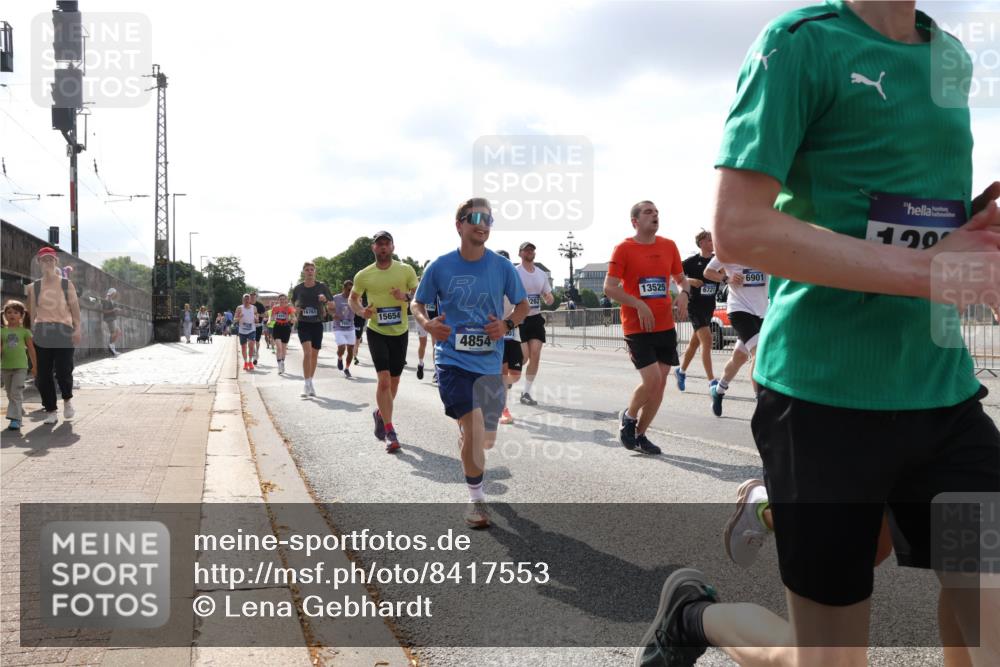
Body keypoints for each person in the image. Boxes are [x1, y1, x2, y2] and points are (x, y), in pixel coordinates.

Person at [635, 2, 1000, 665]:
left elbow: (905, 210)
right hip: (823, 403)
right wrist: (930, 270)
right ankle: (695, 617)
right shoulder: (799, 44)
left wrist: (972, 233)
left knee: (991, 615)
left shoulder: (950, 56)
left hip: (941, 392)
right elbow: (740, 229)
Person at [413, 198, 528, 527]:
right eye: (476, 217)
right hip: (452, 361)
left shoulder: (502, 267)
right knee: (476, 431)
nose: (483, 223)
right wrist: (428, 323)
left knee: (484, 439)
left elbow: (521, 306)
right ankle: (476, 501)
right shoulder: (440, 266)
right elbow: (417, 303)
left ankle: (468, 440)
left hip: (490, 365)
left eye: (489, 219)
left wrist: (506, 325)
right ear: (459, 224)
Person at [603, 201, 689, 456]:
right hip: (637, 327)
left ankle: (640, 435)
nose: (655, 215)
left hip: (664, 325)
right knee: (651, 380)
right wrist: (638, 304)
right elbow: (609, 287)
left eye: (657, 212)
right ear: (635, 221)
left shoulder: (669, 245)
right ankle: (629, 416)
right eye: (648, 212)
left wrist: (684, 293)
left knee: (660, 385)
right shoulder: (624, 249)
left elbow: (681, 279)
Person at [350, 231, 418, 453]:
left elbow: (418, 295)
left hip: (400, 332)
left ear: (393, 247)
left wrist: (405, 297)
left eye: (386, 244)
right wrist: (361, 311)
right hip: (376, 330)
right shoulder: (364, 275)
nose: (383, 248)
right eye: (379, 244)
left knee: (395, 382)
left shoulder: (405, 270)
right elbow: (353, 298)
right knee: (384, 381)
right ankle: (390, 430)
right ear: (373, 248)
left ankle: (380, 414)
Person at [703, 258, 768, 416]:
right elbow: (708, 272)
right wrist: (726, 278)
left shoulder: (766, 247)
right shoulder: (729, 247)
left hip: (763, 311)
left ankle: (718, 390)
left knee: (739, 357)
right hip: (739, 310)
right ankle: (763, 406)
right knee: (758, 355)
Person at [28, 247, 81, 425]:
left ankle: (67, 400)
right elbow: (32, 313)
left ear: (56, 262)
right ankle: (51, 410)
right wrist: (29, 332)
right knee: (43, 375)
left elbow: (75, 309)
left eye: (51, 259)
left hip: (63, 329)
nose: (48, 262)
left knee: (64, 369)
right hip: (43, 330)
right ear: (39, 263)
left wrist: (77, 328)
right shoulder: (35, 286)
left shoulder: (66, 284)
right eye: (44, 260)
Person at [675, 230, 719, 391]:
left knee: (694, 345)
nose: (712, 242)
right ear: (701, 243)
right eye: (708, 240)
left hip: (709, 307)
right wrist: (690, 281)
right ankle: (712, 382)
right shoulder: (692, 262)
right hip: (694, 307)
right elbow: (674, 275)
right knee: (707, 340)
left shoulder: (718, 261)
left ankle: (681, 371)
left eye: (713, 240)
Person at [515, 241, 554, 406]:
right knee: (523, 358)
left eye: (532, 250)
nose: (530, 252)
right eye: (526, 250)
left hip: (536, 318)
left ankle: (526, 392)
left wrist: (549, 298)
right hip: (519, 318)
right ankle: (509, 375)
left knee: (535, 355)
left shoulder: (541, 274)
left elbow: (548, 295)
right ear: (520, 253)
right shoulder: (515, 272)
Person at [291, 261, 335, 396]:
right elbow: (294, 306)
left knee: (315, 355)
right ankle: (306, 384)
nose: (310, 272)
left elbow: (332, 306)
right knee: (308, 353)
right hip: (304, 323)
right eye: (307, 270)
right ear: (304, 272)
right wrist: (296, 310)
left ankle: (310, 381)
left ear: (315, 272)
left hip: (317, 324)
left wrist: (325, 301)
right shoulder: (298, 288)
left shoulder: (322, 287)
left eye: (312, 269)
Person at [496, 251, 523, 425]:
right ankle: (502, 409)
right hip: (496, 334)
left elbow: (522, 304)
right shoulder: (490, 282)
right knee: (502, 373)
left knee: (515, 374)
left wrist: (510, 322)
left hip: (513, 332)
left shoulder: (514, 281)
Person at [2, 300, 36, 431]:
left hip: (21, 367)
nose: (12, 315)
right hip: (5, 366)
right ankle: (18, 410)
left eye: (16, 312)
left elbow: (32, 350)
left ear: (21, 315)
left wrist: (34, 366)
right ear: (4, 314)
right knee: (10, 393)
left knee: (16, 392)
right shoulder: (2, 332)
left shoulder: (24, 332)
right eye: (9, 312)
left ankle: (15, 419)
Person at [332, 280, 356, 378]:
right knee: (342, 348)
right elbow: (329, 308)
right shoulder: (336, 298)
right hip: (338, 327)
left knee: (350, 350)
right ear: (344, 288)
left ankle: (347, 368)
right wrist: (333, 314)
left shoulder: (355, 299)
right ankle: (339, 357)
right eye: (348, 289)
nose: (350, 292)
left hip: (350, 327)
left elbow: (361, 310)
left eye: (352, 290)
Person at [268, 294, 295, 374]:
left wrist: (293, 319)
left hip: (286, 328)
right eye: (281, 299)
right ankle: (279, 365)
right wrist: (269, 320)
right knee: (279, 348)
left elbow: (293, 317)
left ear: (286, 300)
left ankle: (282, 362)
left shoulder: (289, 308)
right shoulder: (275, 307)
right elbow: (271, 316)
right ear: (278, 300)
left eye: (284, 299)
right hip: (277, 327)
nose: (282, 301)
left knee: (283, 348)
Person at [234, 294, 258, 372]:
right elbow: (235, 319)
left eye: (248, 299)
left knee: (251, 345)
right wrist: (239, 317)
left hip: (252, 329)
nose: (246, 301)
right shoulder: (239, 308)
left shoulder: (254, 308)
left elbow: (257, 319)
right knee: (243, 347)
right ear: (242, 300)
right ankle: (245, 362)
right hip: (242, 330)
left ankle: (250, 361)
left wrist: (256, 319)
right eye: (245, 299)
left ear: (250, 300)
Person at [101, 288, 123, 356]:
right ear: (112, 293)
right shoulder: (106, 300)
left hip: (113, 318)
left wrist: (116, 310)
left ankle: (112, 346)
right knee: (113, 332)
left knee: (118, 332)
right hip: (109, 319)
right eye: (114, 293)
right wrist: (114, 310)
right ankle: (111, 347)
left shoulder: (110, 300)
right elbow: (104, 311)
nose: (115, 295)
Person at [250, 291, 266, 364]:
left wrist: (257, 314)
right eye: (251, 297)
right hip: (250, 325)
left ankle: (256, 352)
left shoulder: (260, 305)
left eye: (254, 297)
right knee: (251, 341)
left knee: (256, 341)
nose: (252, 298)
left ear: (256, 297)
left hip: (258, 325)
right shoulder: (248, 305)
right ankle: (254, 356)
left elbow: (264, 315)